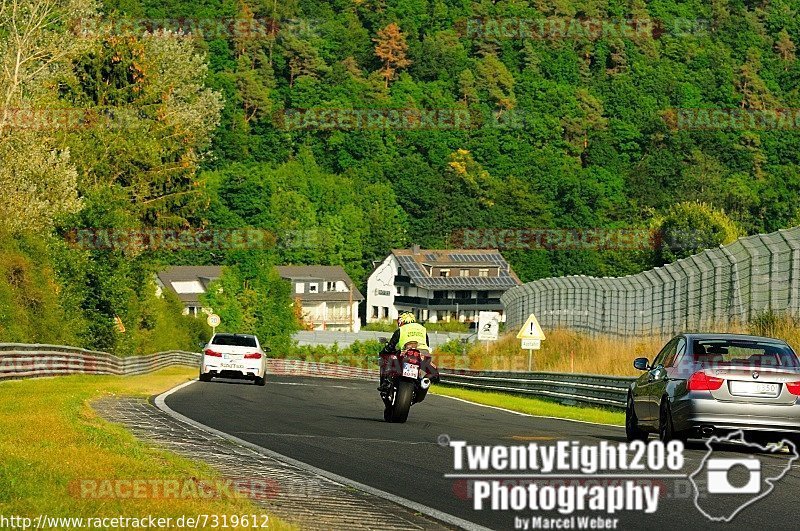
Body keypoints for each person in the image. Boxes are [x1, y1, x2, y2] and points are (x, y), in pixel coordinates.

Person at [378, 312, 438, 393]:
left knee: (390, 360)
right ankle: (424, 380)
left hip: (406, 352)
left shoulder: (401, 330)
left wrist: (382, 353)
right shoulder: (422, 329)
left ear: (401, 321)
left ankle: (386, 383)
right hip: (423, 353)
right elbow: (426, 345)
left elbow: (390, 347)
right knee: (428, 369)